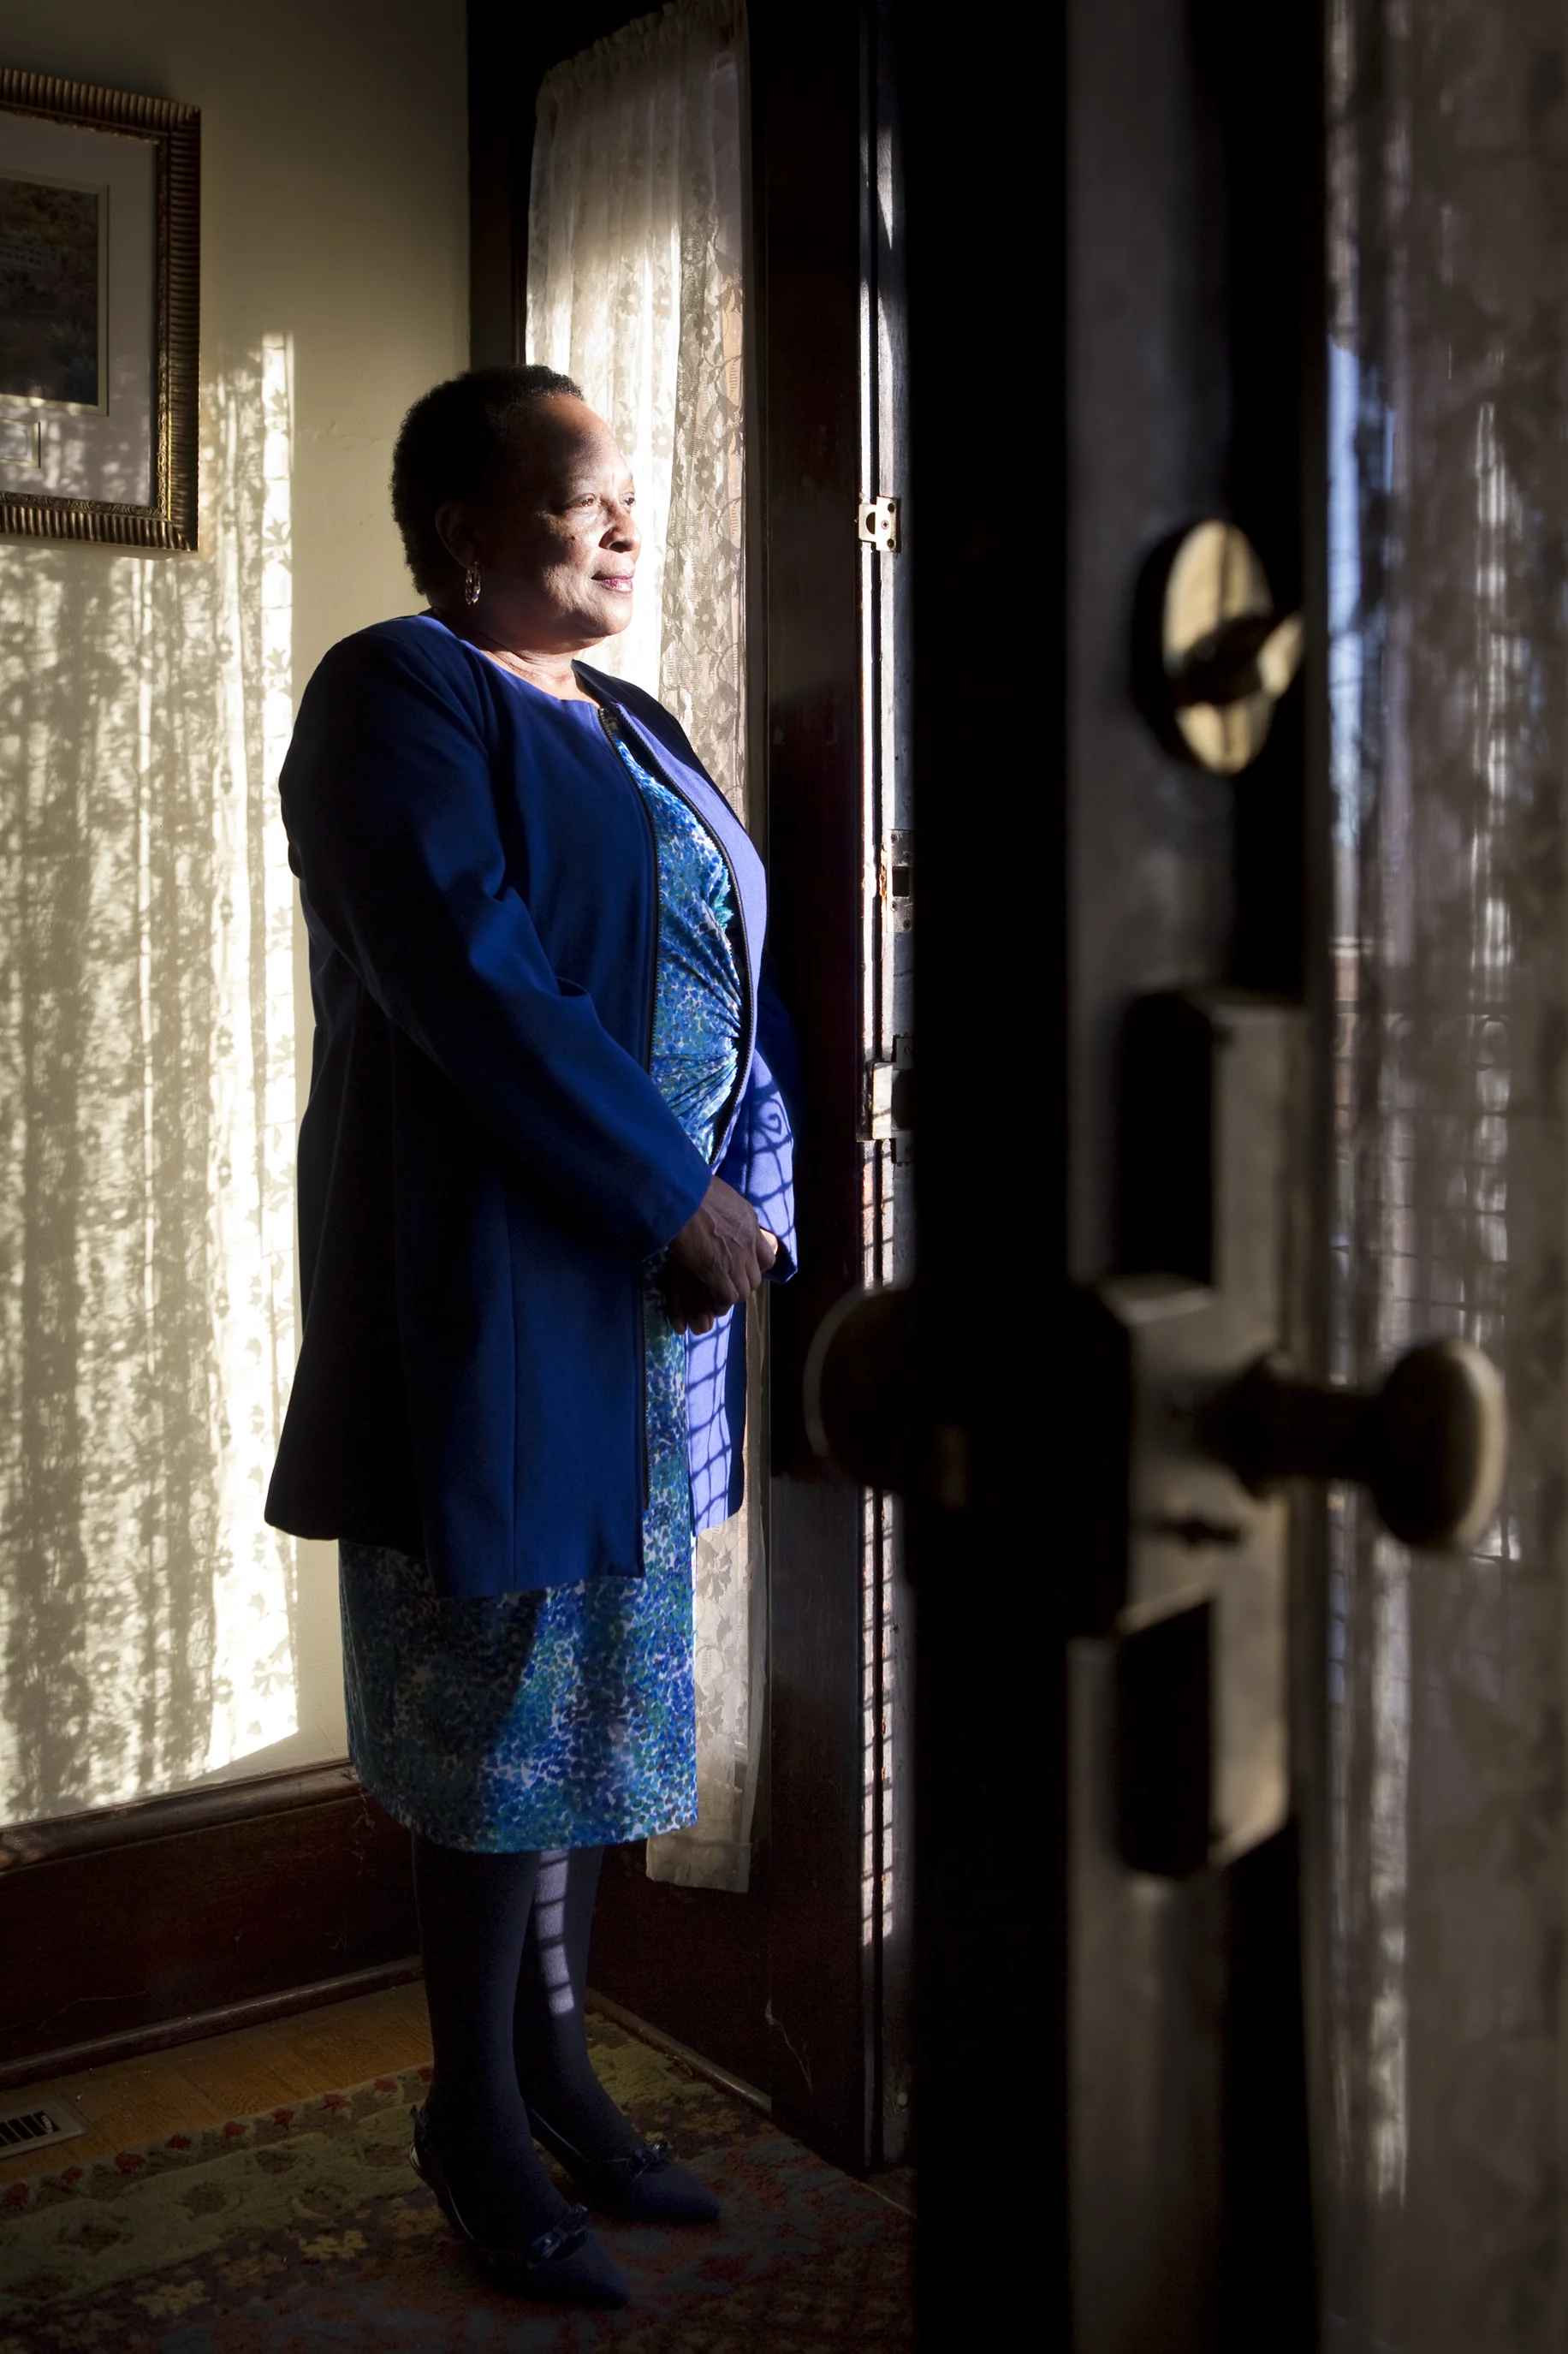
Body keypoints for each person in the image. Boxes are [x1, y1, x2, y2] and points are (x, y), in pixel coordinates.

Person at [264, 364, 796, 2307]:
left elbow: (733, 979)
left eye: (636, 493)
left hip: (640, 1313)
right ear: (468, 524)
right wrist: (670, 1195)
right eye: (584, 494)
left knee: (587, 1719)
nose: (630, 523)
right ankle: (471, 2118)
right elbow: (469, 978)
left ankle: (559, 2074)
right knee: (494, 1724)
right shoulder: (395, 694)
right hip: (488, 1296)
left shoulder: (638, 722)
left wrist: (758, 1187)